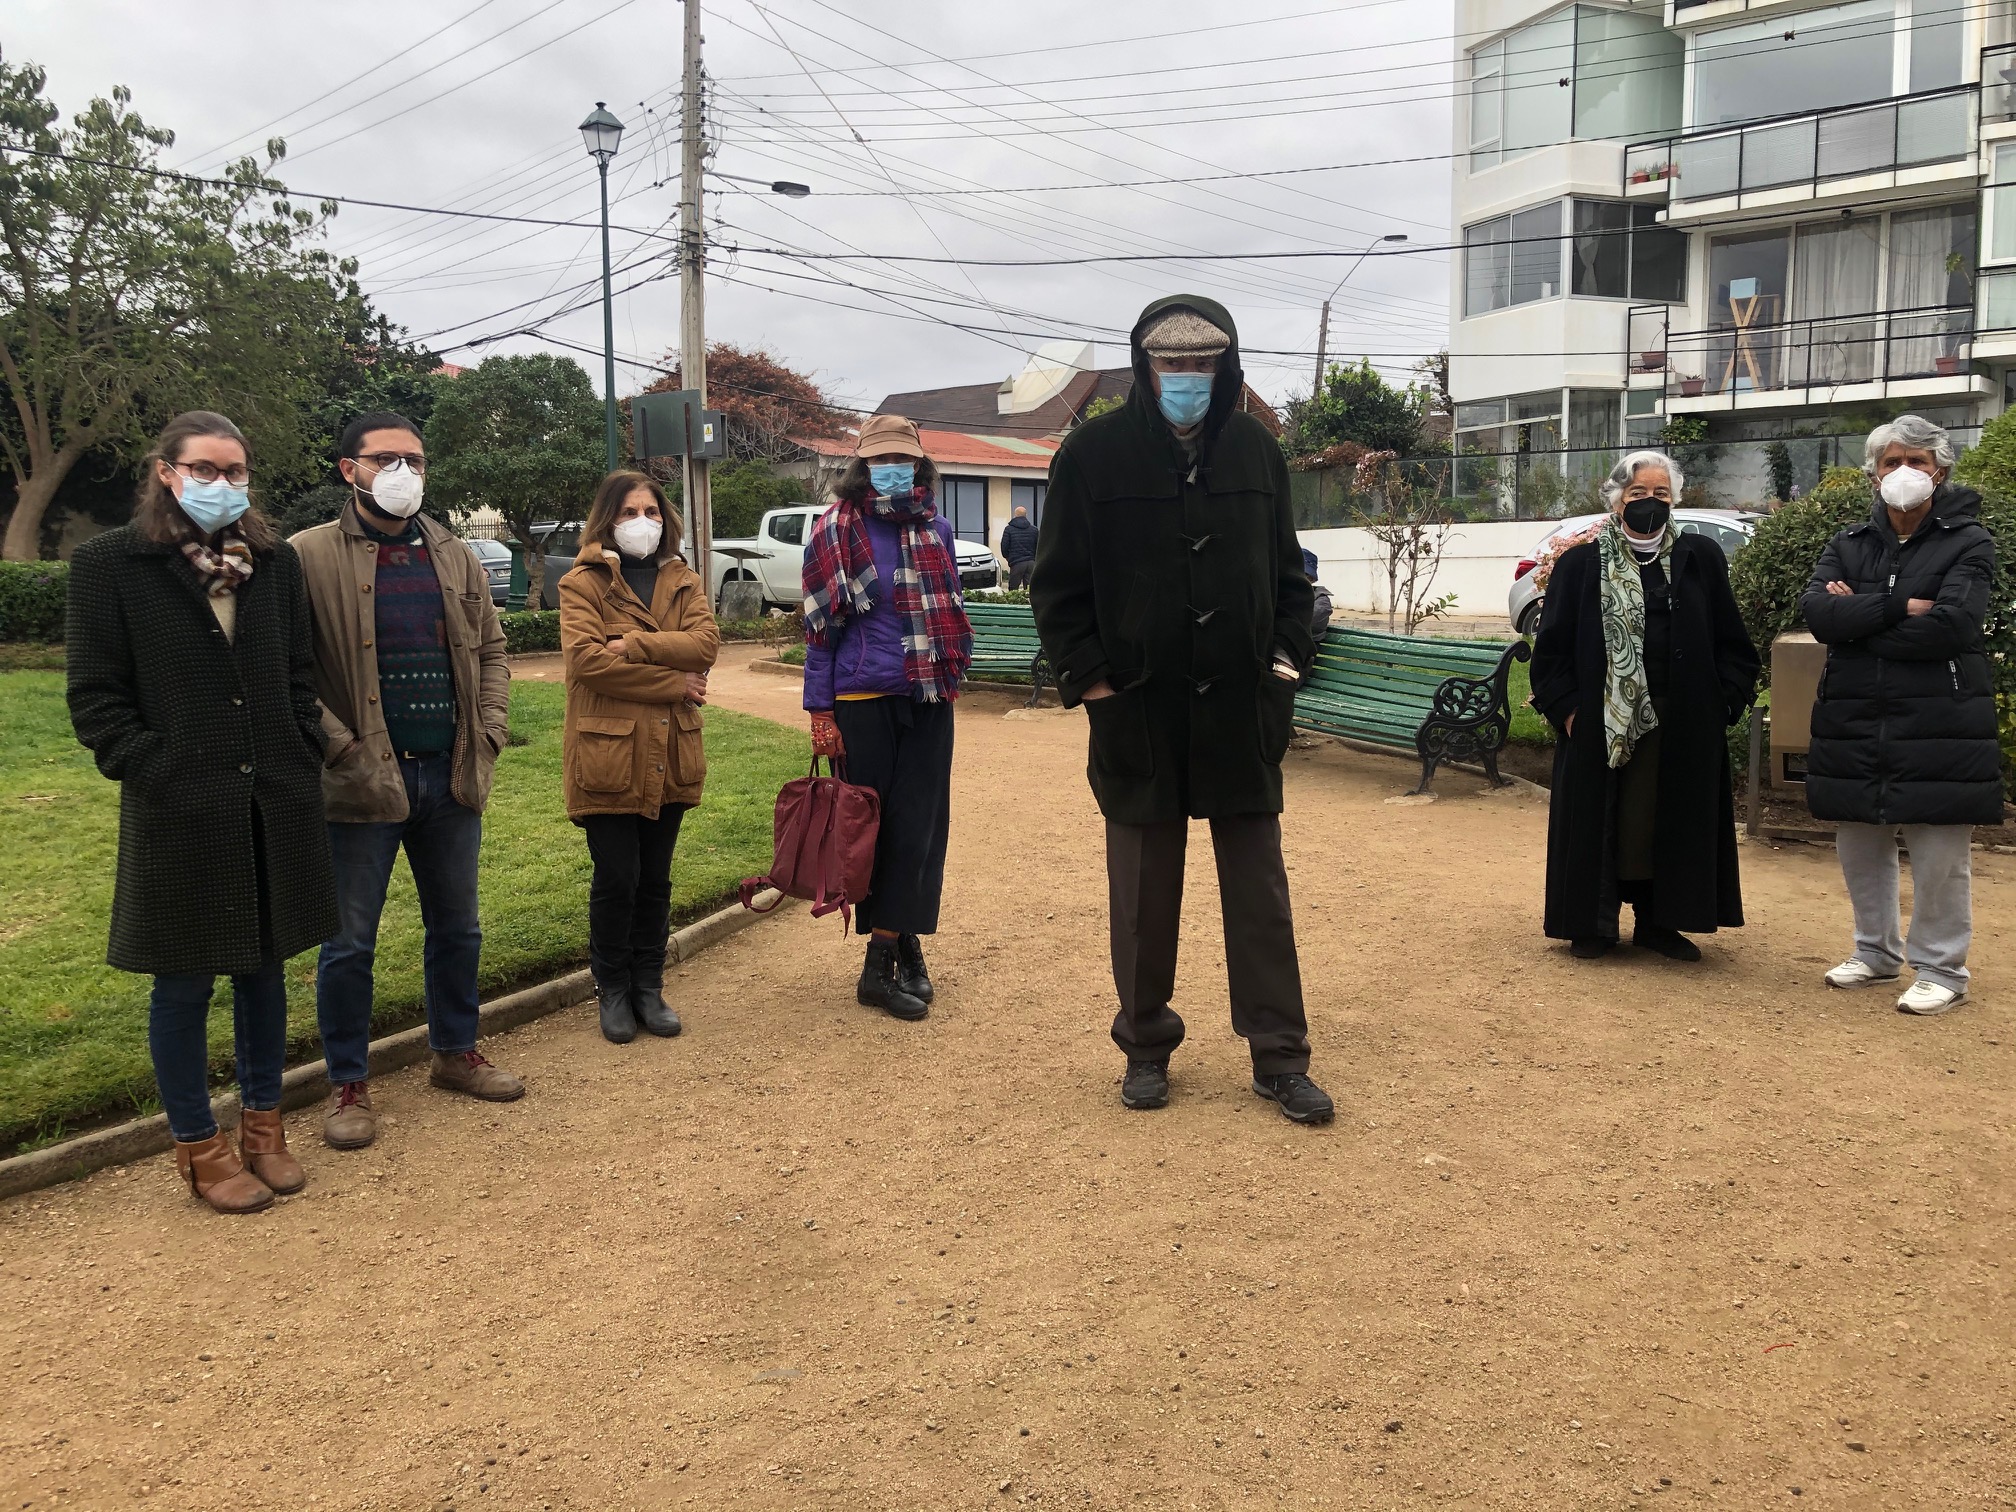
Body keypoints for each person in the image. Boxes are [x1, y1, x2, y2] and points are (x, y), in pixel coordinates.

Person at [1031, 295, 1334, 1124]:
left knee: (1261, 895)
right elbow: (1057, 590)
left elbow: (1288, 579)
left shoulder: (1257, 454)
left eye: (1201, 364)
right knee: (1141, 893)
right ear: (1144, 367)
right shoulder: (1091, 456)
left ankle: (1280, 1056)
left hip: (1242, 708)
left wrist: (1281, 667)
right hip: (1137, 707)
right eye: (1171, 364)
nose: (1186, 379)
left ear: (1225, 367)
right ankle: (1144, 1044)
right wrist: (1096, 687)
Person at [65, 411, 338, 1214]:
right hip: (180, 807)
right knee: (182, 984)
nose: (225, 485)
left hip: (272, 802)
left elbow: (295, 671)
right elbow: (96, 701)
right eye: (207, 469)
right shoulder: (111, 565)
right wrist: (160, 771)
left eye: (236, 470)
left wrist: (300, 744)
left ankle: (263, 1127)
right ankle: (197, 1145)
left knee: (264, 972)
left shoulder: (272, 564)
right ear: (166, 472)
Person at [292, 412, 520, 1151]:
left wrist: (487, 728)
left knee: (458, 929)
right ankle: (348, 1083)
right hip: (360, 785)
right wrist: (340, 747)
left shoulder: (453, 554)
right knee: (350, 944)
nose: (403, 473)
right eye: (385, 458)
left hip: (450, 776)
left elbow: (491, 647)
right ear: (347, 469)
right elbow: (288, 673)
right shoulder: (306, 557)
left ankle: (455, 1053)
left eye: (415, 460)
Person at [1801, 415, 2003, 1015]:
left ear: (1940, 471)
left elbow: (1953, 627)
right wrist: (1897, 607)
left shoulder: (1969, 540)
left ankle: (1942, 966)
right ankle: (1876, 952)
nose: (1903, 473)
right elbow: (1818, 616)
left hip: (1942, 717)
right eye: (1892, 462)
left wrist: (1861, 621)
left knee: (1940, 851)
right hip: (1855, 716)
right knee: (1859, 841)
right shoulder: (1848, 542)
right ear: (1873, 472)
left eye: (1917, 461)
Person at [1529, 450, 1759, 961]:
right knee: (1605, 821)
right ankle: (1591, 924)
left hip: (1683, 722)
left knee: (1667, 820)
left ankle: (1661, 923)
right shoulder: (1579, 564)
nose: (1649, 503)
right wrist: (1567, 709)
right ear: (1617, 500)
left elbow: (1731, 640)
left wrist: (1723, 701)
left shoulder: (1701, 557)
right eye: (1638, 494)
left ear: (1674, 501)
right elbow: (1551, 651)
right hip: (1599, 722)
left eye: (1660, 494)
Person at [802, 413, 972, 1021]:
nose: (893, 469)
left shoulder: (938, 529)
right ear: (863, 467)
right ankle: (881, 968)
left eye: (903, 459)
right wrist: (819, 708)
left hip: (929, 696)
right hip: (861, 701)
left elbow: (947, 610)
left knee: (921, 827)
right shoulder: (834, 529)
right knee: (871, 829)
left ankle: (902, 942)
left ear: (920, 466)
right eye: (881, 460)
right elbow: (820, 632)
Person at [559, 471, 720, 1043]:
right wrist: (675, 683)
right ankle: (614, 990)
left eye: (650, 511)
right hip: (609, 754)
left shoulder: (683, 579)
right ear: (607, 519)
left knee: (655, 876)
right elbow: (586, 664)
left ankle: (649, 987)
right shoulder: (583, 582)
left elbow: (706, 646)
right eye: (628, 513)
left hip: (669, 750)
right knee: (617, 876)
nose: (641, 523)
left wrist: (633, 644)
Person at [1000, 504, 1038, 591]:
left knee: (1013, 589)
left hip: (1016, 563)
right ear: (1026, 515)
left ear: (1015, 515)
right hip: (1031, 563)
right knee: (1030, 590)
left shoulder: (1009, 529)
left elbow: (1004, 546)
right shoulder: (1034, 530)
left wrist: (1007, 557)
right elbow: (1038, 546)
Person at [1303, 547, 1334, 640]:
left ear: (1311, 579)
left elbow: (1308, 622)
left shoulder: (1321, 600)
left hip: (1300, 650)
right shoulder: (1281, 594)